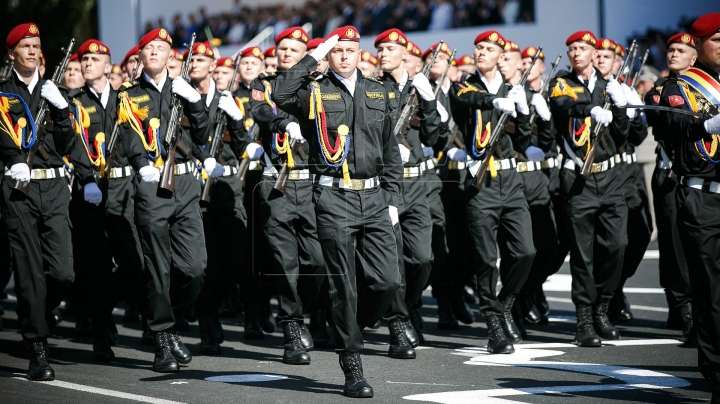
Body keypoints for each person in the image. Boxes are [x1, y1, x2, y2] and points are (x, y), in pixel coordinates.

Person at [273, 26, 403, 398]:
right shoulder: (314, 89)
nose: (344, 56)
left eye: (350, 49)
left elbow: (389, 147)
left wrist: (393, 198)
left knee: (387, 281)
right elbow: (279, 93)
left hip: (375, 198)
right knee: (342, 283)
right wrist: (312, 57)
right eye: (337, 51)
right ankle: (352, 364)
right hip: (333, 198)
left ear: (361, 53)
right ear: (329, 55)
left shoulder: (378, 90)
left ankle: (349, 326)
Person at [117, 27, 209, 373]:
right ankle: (163, 338)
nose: (155, 51)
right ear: (140, 55)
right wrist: (142, 165)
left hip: (184, 182)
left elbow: (201, 135)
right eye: (148, 47)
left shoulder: (183, 90)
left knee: (194, 267)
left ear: (172, 55)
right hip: (152, 183)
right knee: (157, 267)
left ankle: (170, 318)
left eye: (161, 47)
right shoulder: (128, 93)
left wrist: (197, 102)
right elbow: (127, 134)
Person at [448, 30, 535, 354]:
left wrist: (524, 111)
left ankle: (505, 302)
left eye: (489, 49)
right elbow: (465, 98)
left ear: (502, 56)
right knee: (486, 260)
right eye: (479, 48)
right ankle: (494, 325)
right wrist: (493, 100)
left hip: (510, 182)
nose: (481, 52)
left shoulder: (515, 89)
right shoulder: (464, 84)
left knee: (525, 251)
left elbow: (524, 142)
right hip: (481, 183)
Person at [0, 23, 78, 381]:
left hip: (54, 189)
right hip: (19, 190)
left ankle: (39, 315)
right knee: (29, 272)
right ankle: (37, 348)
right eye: (25, 45)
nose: (32, 51)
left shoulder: (53, 91)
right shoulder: (2, 93)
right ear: (12, 53)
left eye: (37, 45)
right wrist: (11, 157)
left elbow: (65, 145)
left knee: (62, 273)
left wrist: (62, 110)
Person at [248, 26, 325, 366]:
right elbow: (261, 112)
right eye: (281, 50)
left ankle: (305, 311)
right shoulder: (263, 83)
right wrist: (282, 124)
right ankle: (292, 329)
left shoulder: (318, 86)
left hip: (311, 183)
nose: (285, 54)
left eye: (294, 49)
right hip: (275, 181)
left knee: (318, 261)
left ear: (304, 55)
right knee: (284, 260)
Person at [548, 30, 630, 347]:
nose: (575, 53)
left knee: (616, 245)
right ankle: (584, 318)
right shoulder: (562, 81)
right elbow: (564, 105)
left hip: (609, 178)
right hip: (578, 179)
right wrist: (589, 109)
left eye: (582, 48)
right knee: (582, 254)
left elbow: (623, 134)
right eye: (571, 49)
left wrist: (621, 105)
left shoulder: (609, 87)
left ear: (594, 52)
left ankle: (603, 306)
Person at [659, 13, 720, 400]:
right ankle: (717, 374)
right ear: (698, 45)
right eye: (716, 39)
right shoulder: (680, 86)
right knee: (712, 291)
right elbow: (674, 126)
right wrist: (709, 126)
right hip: (704, 195)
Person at [375, 28, 443, 358]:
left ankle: (410, 305)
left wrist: (429, 101)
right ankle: (398, 324)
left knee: (422, 259)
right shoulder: (373, 88)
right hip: (388, 183)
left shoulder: (420, 89)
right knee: (392, 261)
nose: (383, 53)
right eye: (381, 49)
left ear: (406, 54)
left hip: (417, 185)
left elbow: (433, 138)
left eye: (390, 48)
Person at [184, 42, 250, 355]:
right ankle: (207, 320)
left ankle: (219, 303)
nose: (194, 63)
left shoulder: (227, 99)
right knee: (204, 260)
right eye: (191, 58)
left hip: (225, 189)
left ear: (212, 66)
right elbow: (181, 138)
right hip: (194, 189)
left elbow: (242, 148)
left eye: (201, 59)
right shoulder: (180, 97)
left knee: (236, 258)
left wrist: (237, 119)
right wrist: (200, 156)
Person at [499, 42, 558, 337]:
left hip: (537, 180)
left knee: (548, 247)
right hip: (510, 178)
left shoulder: (534, 97)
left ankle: (530, 290)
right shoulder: (496, 95)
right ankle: (515, 305)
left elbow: (547, 144)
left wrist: (544, 120)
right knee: (518, 250)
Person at [644, 32, 696, 342]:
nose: (673, 54)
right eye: (671, 50)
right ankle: (682, 308)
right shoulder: (660, 90)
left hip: (704, 178)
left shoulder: (709, 90)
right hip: (671, 175)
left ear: (695, 56)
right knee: (675, 245)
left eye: (681, 50)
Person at [599, 39, 652, 323]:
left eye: (613, 57)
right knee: (612, 240)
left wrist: (633, 113)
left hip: (630, 172)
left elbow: (638, 137)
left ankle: (616, 285)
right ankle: (608, 295)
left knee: (642, 233)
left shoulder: (626, 89)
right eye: (602, 56)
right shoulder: (597, 90)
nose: (606, 62)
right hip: (608, 172)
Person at [425, 42, 474, 331]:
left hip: (462, 177)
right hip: (438, 176)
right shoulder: (423, 92)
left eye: (441, 58)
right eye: (431, 58)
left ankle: (456, 295)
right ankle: (445, 302)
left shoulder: (458, 90)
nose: (436, 61)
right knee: (443, 244)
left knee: (465, 245)